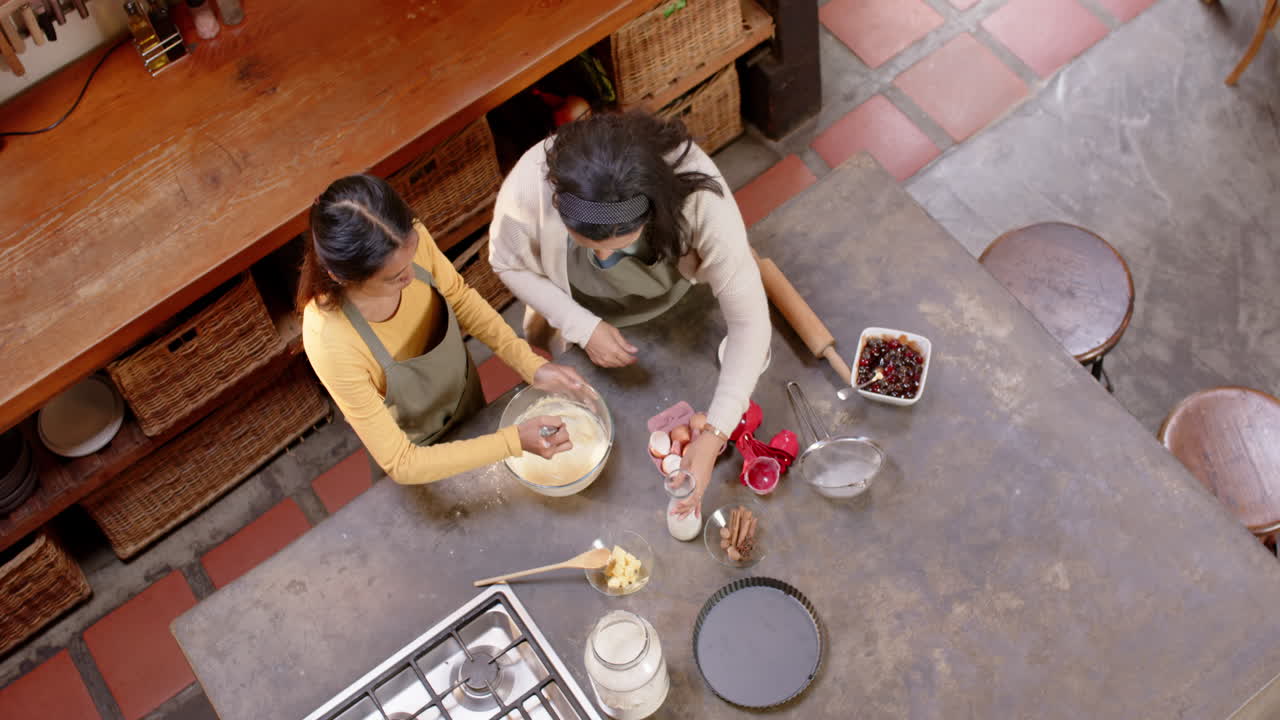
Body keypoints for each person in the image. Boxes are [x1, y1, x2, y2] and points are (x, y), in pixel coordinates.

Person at [489, 112, 771, 518]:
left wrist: (713, 435)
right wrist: (582, 326)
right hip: (584, 308)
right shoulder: (525, 194)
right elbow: (505, 264)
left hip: (675, 304)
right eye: (587, 245)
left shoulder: (699, 195)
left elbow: (750, 324)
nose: (604, 258)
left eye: (621, 246)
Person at [299, 174, 586, 484]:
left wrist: (531, 365)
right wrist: (512, 442)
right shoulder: (328, 338)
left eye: (412, 256)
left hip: (466, 397)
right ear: (343, 277)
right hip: (417, 450)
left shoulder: (407, 241)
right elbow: (402, 462)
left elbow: (460, 299)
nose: (409, 276)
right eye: (393, 276)